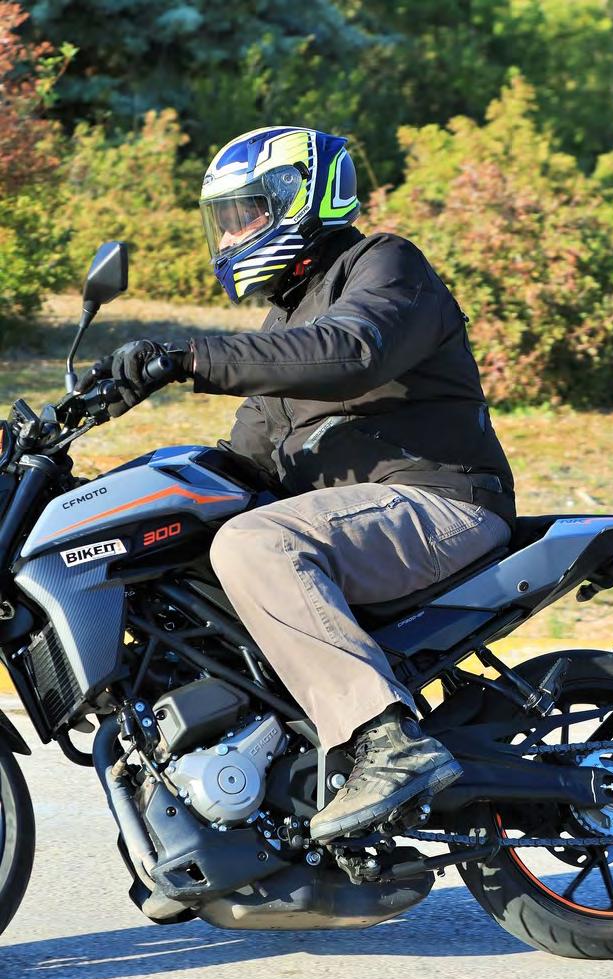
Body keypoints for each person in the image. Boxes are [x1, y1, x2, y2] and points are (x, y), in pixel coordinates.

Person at [83, 126, 516, 843]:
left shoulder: (385, 265)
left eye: (244, 214)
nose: (230, 236)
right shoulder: (285, 317)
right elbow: (245, 460)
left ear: (301, 196)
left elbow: (351, 350)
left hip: (438, 501)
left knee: (256, 544)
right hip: (348, 518)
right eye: (223, 221)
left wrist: (186, 357)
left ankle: (385, 741)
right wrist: (102, 496)